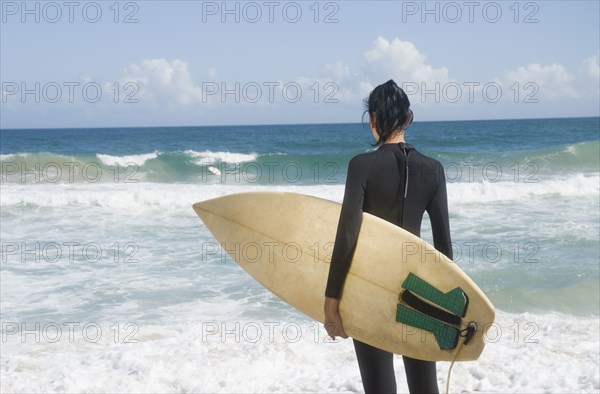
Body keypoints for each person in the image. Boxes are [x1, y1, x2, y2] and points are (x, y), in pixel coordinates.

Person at [323, 80, 452, 394]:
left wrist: (331, 300)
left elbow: (348, 236)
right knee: (425, 389)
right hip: (421, 294)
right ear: (408, 117)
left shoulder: (361, 167)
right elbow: (444, 249)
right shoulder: (433, 170)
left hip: (370, 290)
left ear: (373, 120)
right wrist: (449, 310)